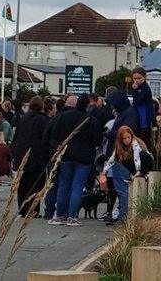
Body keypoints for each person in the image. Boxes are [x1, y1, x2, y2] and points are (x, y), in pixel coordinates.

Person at [47, 94, 99, 227]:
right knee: (77, 186)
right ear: (87, 105)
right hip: (85, 158)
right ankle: (71, 217)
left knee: (63, 186)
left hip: (66, 155)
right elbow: (97, 141)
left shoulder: (64, 117)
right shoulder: (91, 120)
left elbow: (55, 135)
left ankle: (59, 215)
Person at [99, 126, 147, 226]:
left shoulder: (134, 144)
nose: (127, 140)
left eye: (128, 137)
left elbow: (137, 158)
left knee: (123, 192)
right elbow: (112, 158)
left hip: (128, 167)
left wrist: (138, 170)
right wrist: (104, 170)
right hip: (126, 167)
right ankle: (122, 215)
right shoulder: (120, 146)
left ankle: (122, 216)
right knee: (122, 192)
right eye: (124, 138)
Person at [12, 96, 50, 217]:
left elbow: (16, 137)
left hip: (21, 156)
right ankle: (32, 210)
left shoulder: (23, 118)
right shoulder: (43, 120)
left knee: (23, 183)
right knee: (35, 185)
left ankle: (22, 209)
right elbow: (45, 139)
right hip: (37, 157)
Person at [129, 67, 155, 150]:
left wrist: (135, 90)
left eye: (139, 78)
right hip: (138, 115)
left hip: (144, 116)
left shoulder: (145, 88)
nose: (136, 80)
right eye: (134, 78)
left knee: (144, 139)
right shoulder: (138, 88)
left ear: (144, 77)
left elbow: (138, 101)